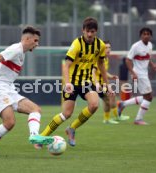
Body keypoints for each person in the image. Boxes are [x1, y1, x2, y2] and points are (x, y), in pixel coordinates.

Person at [0, 26, 54, 158]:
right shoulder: (16, 49)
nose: (37, 44)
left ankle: (34, 136)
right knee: (10, 122)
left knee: (35, 110)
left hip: (9, 90)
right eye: (35, 41)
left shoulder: (20, 52)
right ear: (27, 39)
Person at [37, 17, 114, 148]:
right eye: (87, 31)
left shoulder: (100, 45)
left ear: (96, 32)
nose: (89, 34)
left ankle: (72, 129)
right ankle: (41, 137)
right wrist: (67, 84)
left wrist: (107, 85)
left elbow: (101, 64)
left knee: (94, 104)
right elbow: (66, 66)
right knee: (66, 114)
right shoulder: (77, 44)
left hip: (86, 82)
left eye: (93, 31)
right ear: (83, 30)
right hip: (71, 82)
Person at [118, 27, 156, 125]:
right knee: (149, 97)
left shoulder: (149, 45)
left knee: (147, 96)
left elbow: (147, 58)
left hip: (144, 73)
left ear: (151, 36)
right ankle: (138, 119)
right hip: (138, 74)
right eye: (144, 34)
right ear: (140, 36)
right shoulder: (136, 46)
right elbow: (128, 60)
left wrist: (153, 66)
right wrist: (133, 73)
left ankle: (122, 104)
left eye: (148, 34)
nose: (146, 36)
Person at [91, 40, 130, 124]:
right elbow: (93, 72)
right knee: (108, 98)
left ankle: (112, 118)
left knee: (110, 97)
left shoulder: (106, 59)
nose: (108, 49)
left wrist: (111, 76)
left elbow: (103, 71)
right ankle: (110, 118)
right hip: (96, 83)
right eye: (106, 48)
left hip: (102, 83)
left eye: (109, 47)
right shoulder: (98, 59)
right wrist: (97, 84)